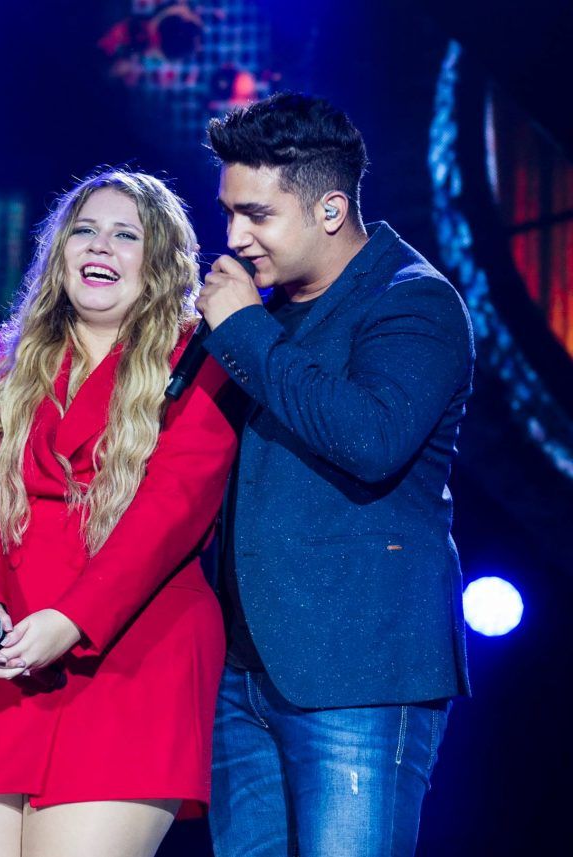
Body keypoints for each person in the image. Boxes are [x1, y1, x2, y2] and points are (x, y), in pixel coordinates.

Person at [0, 170, 238, 857]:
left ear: (161, 261)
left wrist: (73, 618)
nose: (100, 246)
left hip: (132, 655)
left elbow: (173, 507)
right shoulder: (6, 357)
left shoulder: (200, 361)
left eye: (126, 234)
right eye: (84, 230)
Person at [196, 92, 474, 857]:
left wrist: (243, 328)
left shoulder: (413, 302)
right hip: (241, 671)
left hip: (359, 670)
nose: (233, 237)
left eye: (256, 214)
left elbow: (372, 438)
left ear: (328, 209)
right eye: (227, 213)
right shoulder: (265, 311)